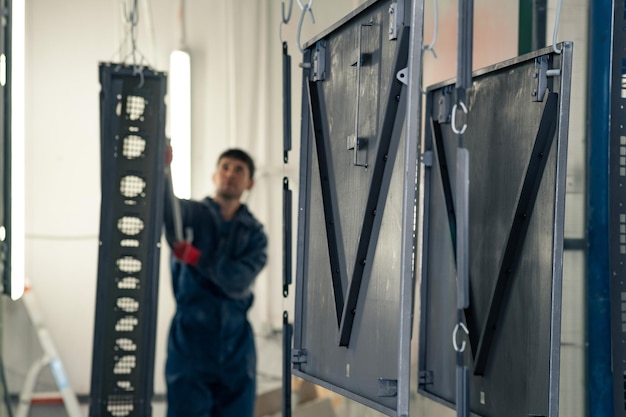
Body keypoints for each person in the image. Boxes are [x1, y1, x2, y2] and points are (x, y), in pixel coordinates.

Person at [162, 146, 268, 417]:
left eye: (239, 170)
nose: (230, 174)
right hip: (191, 340)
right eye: (225, 167)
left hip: (235, 346)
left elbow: (237, 279)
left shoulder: (255, 235)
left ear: (250, 183)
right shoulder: (193, 214)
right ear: (214, 175)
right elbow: (166, 210)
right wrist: (162, 170)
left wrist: (198, 258)